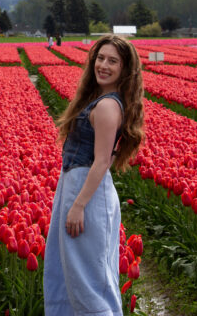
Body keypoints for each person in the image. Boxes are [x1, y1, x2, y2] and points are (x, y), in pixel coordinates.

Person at [44, 34, 145, 316]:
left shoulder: (106, 106)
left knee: (87, 278)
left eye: (113, 61)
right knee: (75, 272)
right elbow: (110, 154)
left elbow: (101, 162)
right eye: (100, 58)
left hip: (85, 192)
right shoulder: (104, 101)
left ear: (125, 69)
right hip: (79, 186)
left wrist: (78, 205)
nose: (103, 65)